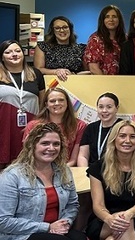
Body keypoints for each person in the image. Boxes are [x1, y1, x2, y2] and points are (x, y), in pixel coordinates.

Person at [0, 122, 88, 240]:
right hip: (18, 236)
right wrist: (48, 227)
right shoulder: (12, 176)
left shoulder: (63, 171)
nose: (51, 148)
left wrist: (65, 222)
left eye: (56, 144)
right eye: (45, 143)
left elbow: (73, 204)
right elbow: (3, 221)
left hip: (55, 229)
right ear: (33, 145)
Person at [0, 40, 44, 170]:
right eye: (8, 52)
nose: (14, 54)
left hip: (30, 128)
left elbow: (42, 103)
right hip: (4, 129)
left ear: (23, 54)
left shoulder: (36, 74)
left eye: (17, 51)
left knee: (30, 168)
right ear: (2, 56)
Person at [24, 87, 87, 167]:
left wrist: (60, 171)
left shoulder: (80, 125)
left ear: (67, 103)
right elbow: (27, 154)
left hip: (66, 169)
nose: (57, 103)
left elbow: (73, 160)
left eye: (61, 100)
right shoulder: (33, 125)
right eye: (52, 101)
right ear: (46, 105)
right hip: (37, 169)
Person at [34, 16, 87, 80]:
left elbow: (89, 71)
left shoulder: (81, 49)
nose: (61, 30)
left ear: (70, 29)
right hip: (50, 84)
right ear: (53, 31)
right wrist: (56, 71)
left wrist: (74, 75)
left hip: (76, 83)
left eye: (65, 27)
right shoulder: (42, 47)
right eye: (57, 28)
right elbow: (38, 69)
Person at [78, 92, 122, 167]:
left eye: (109, 107)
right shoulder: (91, 128)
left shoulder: (123, 127)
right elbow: (83, 156)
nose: (104, 110)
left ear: (116, 109)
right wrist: (84, 173)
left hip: (115, 172)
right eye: (101, 107)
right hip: (91, 172)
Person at [84, 5, 125, 75]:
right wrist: (105, 83)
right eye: (107, 17)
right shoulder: (95, 39)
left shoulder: (125, 39)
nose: (111, 20)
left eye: (114, 16)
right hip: (101, 82)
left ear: (119, 20)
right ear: (102, 20)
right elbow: (93, 68)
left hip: (123, 82)